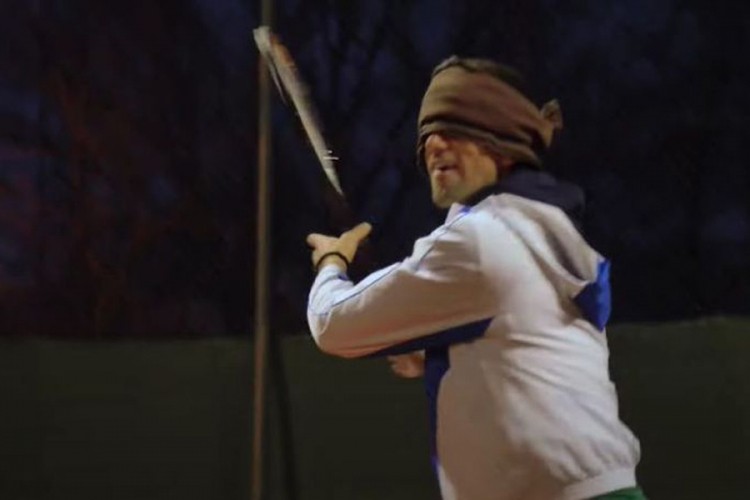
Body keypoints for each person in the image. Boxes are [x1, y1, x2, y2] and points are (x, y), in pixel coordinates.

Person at [305, 56, 645, 500]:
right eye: (428, 132)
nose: (433, 143)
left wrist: (331, 263)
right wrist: (438, 351)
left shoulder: (479, 241)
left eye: (456, 129)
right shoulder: (543, 229)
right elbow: (523, 335)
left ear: (502, 146)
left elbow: (332, 325)